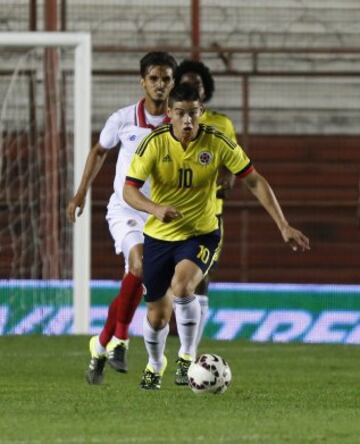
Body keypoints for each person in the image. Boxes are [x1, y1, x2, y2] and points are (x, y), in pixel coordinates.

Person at [123, 83, 310, 390]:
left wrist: (283, 225)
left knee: (182, 287)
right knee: (157, 316)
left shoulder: (218, 141)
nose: (187, 121)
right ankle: (156, 365)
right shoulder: (153, 144)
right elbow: (129, 191)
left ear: (202, 113)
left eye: (193, 114)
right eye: (180, 113)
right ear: (169, 113)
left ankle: (186, 356)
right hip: (158, 235)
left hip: (201, 233)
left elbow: (254, 181)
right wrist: (154, 208)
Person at [66, 51, 177, 384]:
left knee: (137, 279)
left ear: (172, 83)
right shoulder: (123, 119)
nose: (160, 85)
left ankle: (100, 344)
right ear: (142, 81)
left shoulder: (180, 125)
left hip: (160, 216)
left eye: (166, 79)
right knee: (139, 264)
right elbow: (99, 151)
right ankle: (122, 341)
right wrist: (80, 191)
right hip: (126, 209)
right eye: (154, 78)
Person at [173, 59, 237, 367]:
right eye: (186, 83)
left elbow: (234, 165)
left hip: (209, 215)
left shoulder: (220, 124)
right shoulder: (168, 122)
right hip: (169, 215)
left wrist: (227, 176)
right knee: (168, 282)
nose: (192, 88)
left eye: (197, 85)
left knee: (200, 278)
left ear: (205, 89)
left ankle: (189, 352)